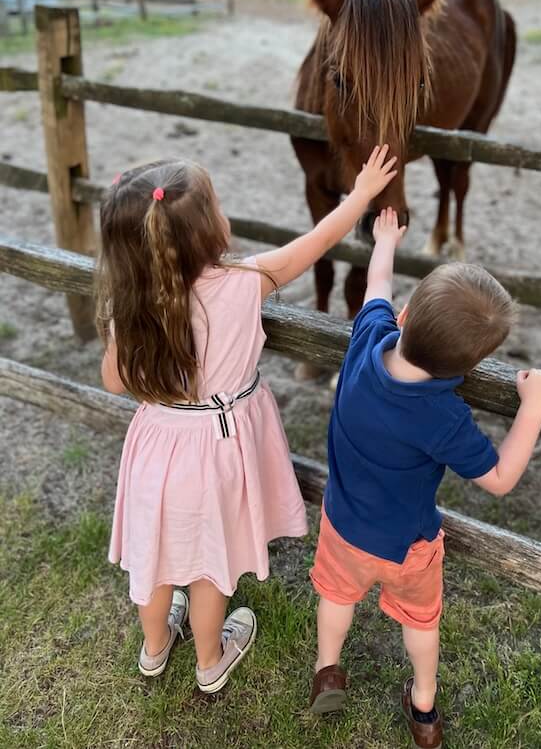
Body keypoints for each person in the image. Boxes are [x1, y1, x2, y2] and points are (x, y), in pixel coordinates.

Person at [97, 147, 398, 693]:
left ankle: (156, 646)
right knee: (212, 563)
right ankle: (210, 659)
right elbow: (315, 244)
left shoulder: (131, 298)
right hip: (216, 447)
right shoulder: (244, 281)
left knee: (155, 556)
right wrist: (359, 195)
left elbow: (115, 382)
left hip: (156, 447)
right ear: (208, 231)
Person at [309, 208, 541, 748]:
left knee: (336, 595)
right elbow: (497, 477)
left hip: (342, 526)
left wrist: (386, 240)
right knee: (421, 621)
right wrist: (534, 408)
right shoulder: (443, 416)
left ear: (404, 314)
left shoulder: (367, 340)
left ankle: (327, 670)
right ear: (462, 369)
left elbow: (376, 282)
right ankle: (424, 708)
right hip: (409, 546)